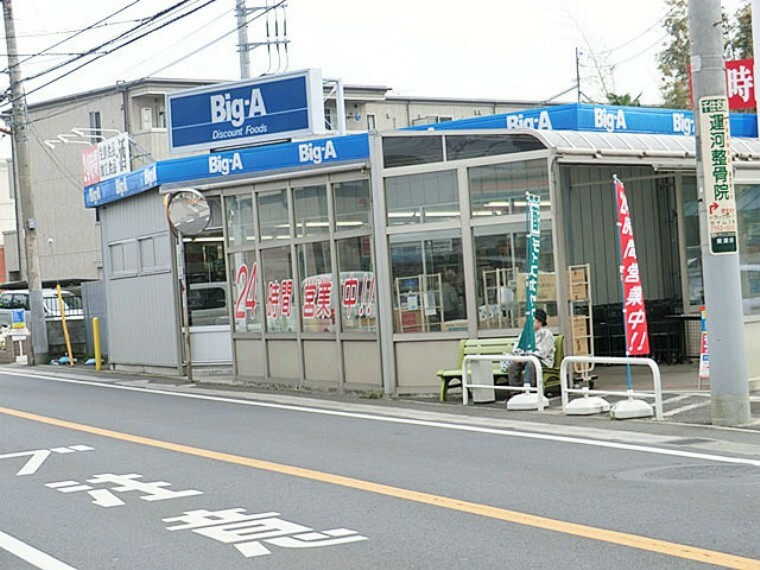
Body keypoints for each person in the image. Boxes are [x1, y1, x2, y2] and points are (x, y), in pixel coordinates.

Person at [507, 308, 555, 388]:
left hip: (542, 360)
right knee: (513, 366)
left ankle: (530, 389)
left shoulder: (547, 334)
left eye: (533, 320)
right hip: (524, 358)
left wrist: (527, 358)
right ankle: (515, 391)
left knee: (530, 364)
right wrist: (520, 357)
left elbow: (542, 352)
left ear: (540, 322)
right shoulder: (526, 332)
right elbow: (518, 346)